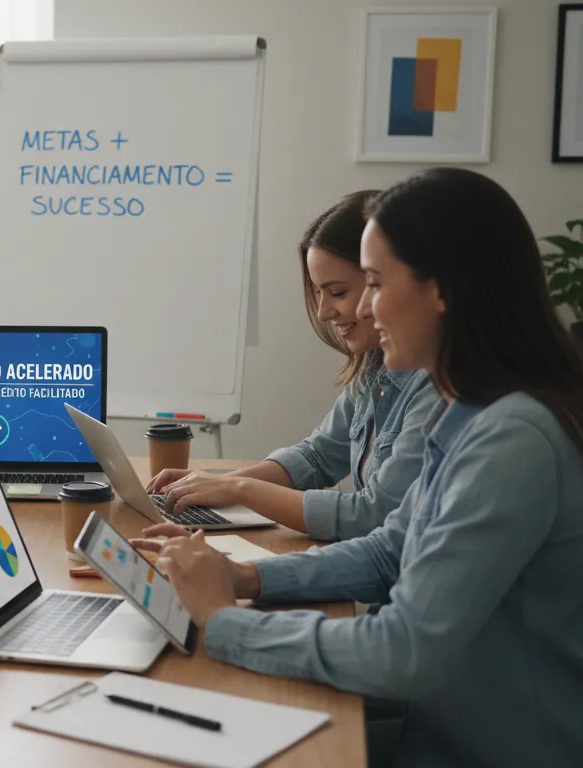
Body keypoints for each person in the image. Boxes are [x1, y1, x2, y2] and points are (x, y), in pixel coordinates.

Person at [138, 168, 583, 766]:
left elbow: (401, 651)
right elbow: (388, 552)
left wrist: (223, 622)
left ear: (442, 289)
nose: (367, 309)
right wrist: (247, 578)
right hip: (453, 730)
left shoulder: (513, 439)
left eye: (374, 282)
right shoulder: (472, 411)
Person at [147, 191, 438, 541]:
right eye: (318, 292)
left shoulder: (437, 386)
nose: (323, 313)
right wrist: (220, 484)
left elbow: (371, 516)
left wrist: (240, 490)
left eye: (338, 292)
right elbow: (317, 456)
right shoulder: (375, 364)